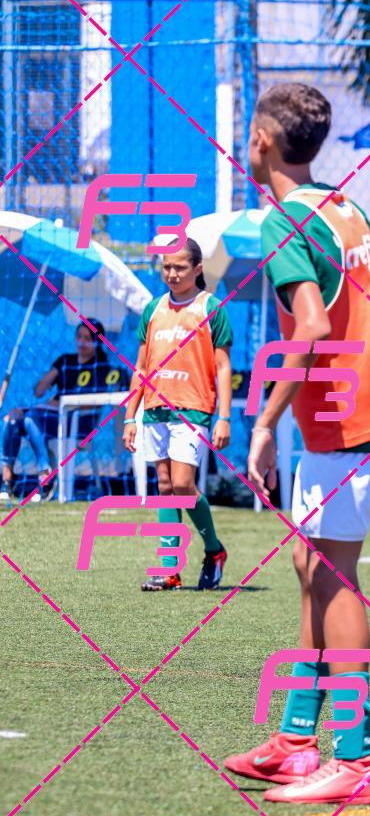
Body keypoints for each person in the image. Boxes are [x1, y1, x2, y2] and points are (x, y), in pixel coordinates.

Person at [224, 83, 370, 806]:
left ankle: (356, 760)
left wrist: (263, 423)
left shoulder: (285, 220)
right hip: (360, 412)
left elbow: (312, 327)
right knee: (307, 562)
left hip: (349, 423)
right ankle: (295, 743)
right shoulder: (341, 207)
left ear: (261, 141)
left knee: (332, 576)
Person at [123, 237, 232, 592]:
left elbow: (223, 367)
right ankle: (169, 568)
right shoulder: (153, 310)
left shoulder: (210, 308)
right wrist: (130, 416)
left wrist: (224, 417)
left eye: (180, 267)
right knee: (165, 486)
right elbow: (141, 367)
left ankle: (214, 550)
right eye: (166, 266)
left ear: (197, 269)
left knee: (184, 485)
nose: (172, 273)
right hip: (155, 408)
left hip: (194, 409)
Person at [0, 318, 119, 503]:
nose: (81, 342)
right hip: (49, 418)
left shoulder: (101, 367)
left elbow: (88, 405)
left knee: (30, 417)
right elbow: (39, 392)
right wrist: (52, 375)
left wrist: (48, 406)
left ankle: (45, 473)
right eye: (79, 337)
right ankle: (7, 481)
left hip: (78, 423)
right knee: (13, 420)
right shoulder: (66, 361)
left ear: (97, 342)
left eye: (87, 338)